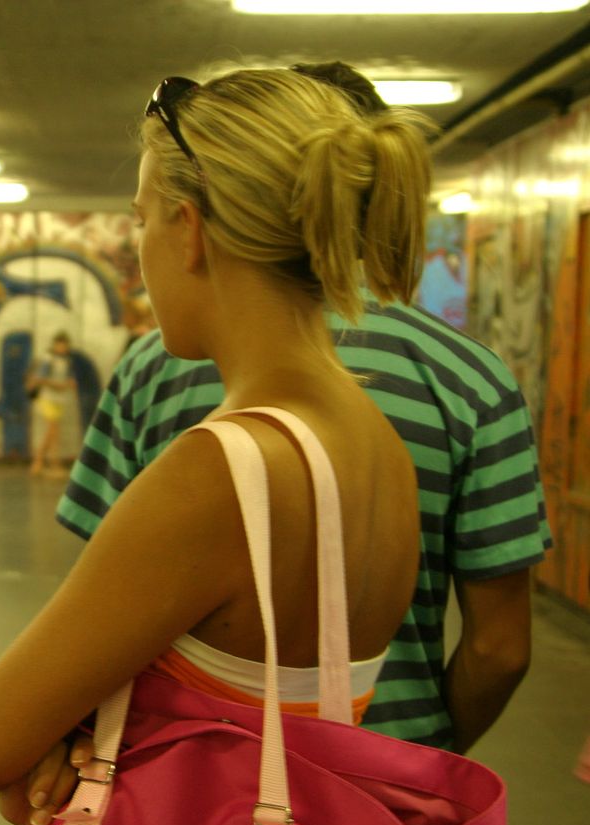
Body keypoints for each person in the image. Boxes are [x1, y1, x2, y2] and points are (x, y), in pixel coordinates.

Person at [0, 66, 434, 818]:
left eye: (141, 219)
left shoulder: (221, 471)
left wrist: (65, 734)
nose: (140, 245)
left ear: (189, 229)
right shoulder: (378, 446)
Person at [53, 62, 548, 759]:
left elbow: (100, 616)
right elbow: (499, 647)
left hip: (190, 783)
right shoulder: (472, 381)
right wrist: (419, 758)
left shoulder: (150, 365)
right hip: (384, 785)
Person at [27, 331, 79, 477]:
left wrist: (69, 384)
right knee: (53, 430)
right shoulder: (48, 359)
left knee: (53, 432)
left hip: (60, 399)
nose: (62, 348)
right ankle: (50, 462)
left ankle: (40, 463)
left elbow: (69, 378)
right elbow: (40, 378)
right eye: (60, 345)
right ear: (55, 345)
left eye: (65, 346)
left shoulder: (67, 361)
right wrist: (59, 385)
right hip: (48, 398)